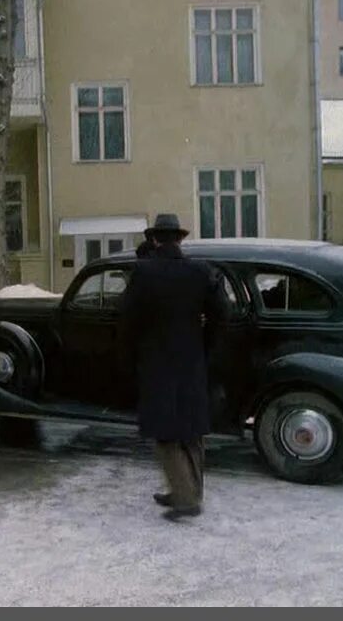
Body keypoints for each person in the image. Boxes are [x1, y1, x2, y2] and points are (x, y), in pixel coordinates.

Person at [120, 214, 229, 521]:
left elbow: (127, 319)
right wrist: (205, 345)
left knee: (165, 432)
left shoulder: (143, 274)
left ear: (155, 239)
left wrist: (130, 356)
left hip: (156, 361)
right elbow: (222, 313)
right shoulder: (200, 271)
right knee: (191, 431)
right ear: (179, 239)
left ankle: (184, 498)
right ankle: (190, 491)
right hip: (192, 359)